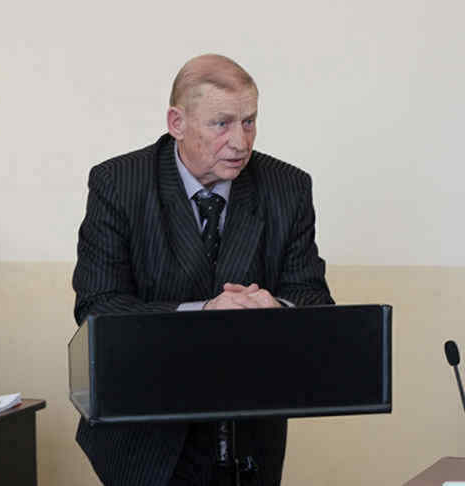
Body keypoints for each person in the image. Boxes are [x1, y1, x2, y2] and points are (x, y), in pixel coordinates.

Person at [72, 54, 333, 486]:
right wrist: (203, 313)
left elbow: (313, 299)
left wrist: (277, 307)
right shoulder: (118, 183)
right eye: (221, 124)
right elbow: (98, 308)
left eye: (249, 122)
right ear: (177, 122)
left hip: (249, 433)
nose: (241, 142)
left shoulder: (288, 187)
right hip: (144, 434)